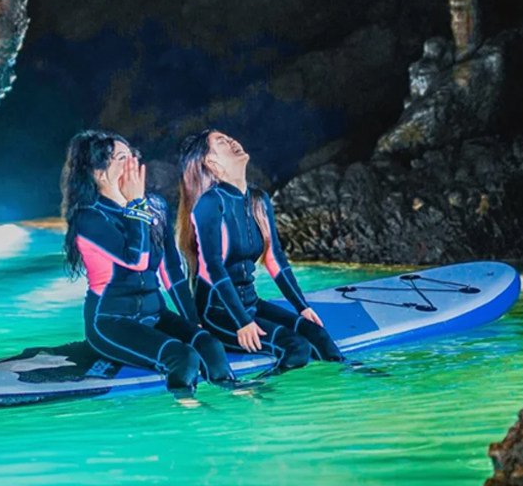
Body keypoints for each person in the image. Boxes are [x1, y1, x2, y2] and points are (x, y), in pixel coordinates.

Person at [61, 129, 246, 397]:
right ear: (99, 174)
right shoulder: (89, 218)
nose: (133, 163)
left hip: (155, 314)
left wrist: (192, 320)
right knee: (183, 357)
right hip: (111, 321)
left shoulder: (156, 206)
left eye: (132, 155)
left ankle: (237, 396)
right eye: (121, 158)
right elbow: (136, 260)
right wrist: (135, 203)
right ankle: (190, 409)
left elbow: (171, 269)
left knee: (210, 345)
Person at [176, 129, 345, 372]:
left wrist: (302, 307)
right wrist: (243, 322)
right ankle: (262, 390)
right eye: (222, 142)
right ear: (211, 163)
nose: (233, 141)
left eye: (230, 138)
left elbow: (275, 259)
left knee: (316, 333)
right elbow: (212, 269)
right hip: (219, 312)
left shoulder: (258, 199)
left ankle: (352, 375)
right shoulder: (210, 203)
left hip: (251, 302)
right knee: (296, 347)